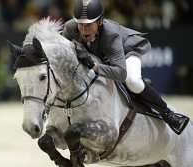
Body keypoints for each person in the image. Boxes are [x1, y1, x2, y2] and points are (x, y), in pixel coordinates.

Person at [62, 0, 189, 134]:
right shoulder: (70, 28)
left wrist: (93, 66)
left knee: (132, 81)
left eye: (89, 25)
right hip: (103, 56)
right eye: (81, 24)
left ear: (100, 21)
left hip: (127, 50)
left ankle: (168, 114)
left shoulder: (110, 34)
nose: (84, 29)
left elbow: (121, 73)